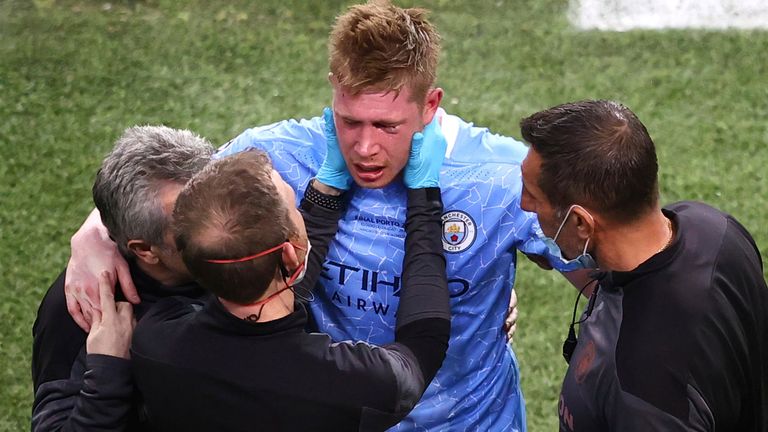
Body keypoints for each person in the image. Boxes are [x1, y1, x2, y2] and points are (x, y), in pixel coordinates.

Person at [64, 2, 585, 429]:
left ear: (430, 105)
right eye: (349, 120)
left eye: (386, 125)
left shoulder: (499, 172)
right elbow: (161, 193)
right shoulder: (277, 156)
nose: (363, 148)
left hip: (472, 422)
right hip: (333, 411)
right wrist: (91, 237)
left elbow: (603, 261)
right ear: (333, 87)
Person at [130, 121, 450, 430]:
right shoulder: (357, 384)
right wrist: (424, 200)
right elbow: (424, 344)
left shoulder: (155, 338)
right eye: (295, 206)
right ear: (288, 253)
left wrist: (328, 190)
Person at [518, 99, 768, 431]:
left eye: (533, 196)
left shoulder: (643, 392)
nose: (524, 205)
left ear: (581, 223)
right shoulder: (714, 229)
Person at [31, 126, 213, 431]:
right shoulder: (83, 305)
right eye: (193, 226)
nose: (224, 228)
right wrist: (108, 373)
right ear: (144, 250)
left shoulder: (235, 246)